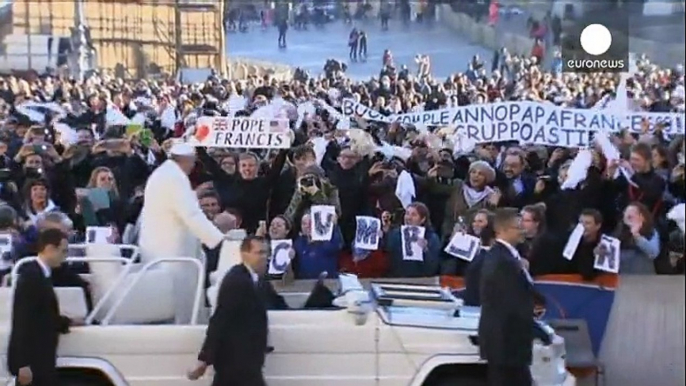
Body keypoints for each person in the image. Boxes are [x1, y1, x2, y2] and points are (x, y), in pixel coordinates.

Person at [138, 142, 226, 323]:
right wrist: (219, 240)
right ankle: (182, 329)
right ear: (186, 160)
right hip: (171, 249)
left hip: (163, 246)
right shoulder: (174, 178)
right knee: (178, 297)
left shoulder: (164, 173)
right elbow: (191, 214)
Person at [188, 235, 270, 386]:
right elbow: (220, 320)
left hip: (245, 364)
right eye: (259, 253)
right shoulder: (237, 281)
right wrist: (204, 359)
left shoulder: (255, 281)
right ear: (244, 254)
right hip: (236, 364)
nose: (265, 257)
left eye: (266, 253)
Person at [7, 228, 73, 386]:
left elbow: (44, 317)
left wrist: (66, 322)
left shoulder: (42, 274)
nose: (64, 257)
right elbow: (22, 321)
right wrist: (22, 364)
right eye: (63, 252)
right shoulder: (31, 277)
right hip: (33, 361)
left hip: (42, 359)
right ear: (50, 248)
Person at [478, 207, 534, 386]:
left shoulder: (508, 257)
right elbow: (509, 303)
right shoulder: (502, 261)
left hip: (510, 342)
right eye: (517, 226)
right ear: (502, 230)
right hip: (505, 342)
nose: (522, 230)